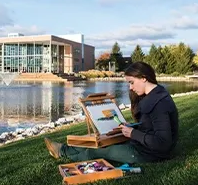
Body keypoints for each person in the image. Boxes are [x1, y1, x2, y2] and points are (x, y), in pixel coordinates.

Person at [44, 61, 179, 164]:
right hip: (143, 146)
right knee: (103, 141)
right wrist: (132, 127)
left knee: (98, 149)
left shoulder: (159, 103)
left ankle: (63, 153)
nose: (130, 88)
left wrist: (133, 133)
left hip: (150, 154)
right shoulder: (157, 94)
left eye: (131, 82)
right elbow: (151, 126)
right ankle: (63, 149)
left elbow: (163, 142)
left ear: (143, 78)